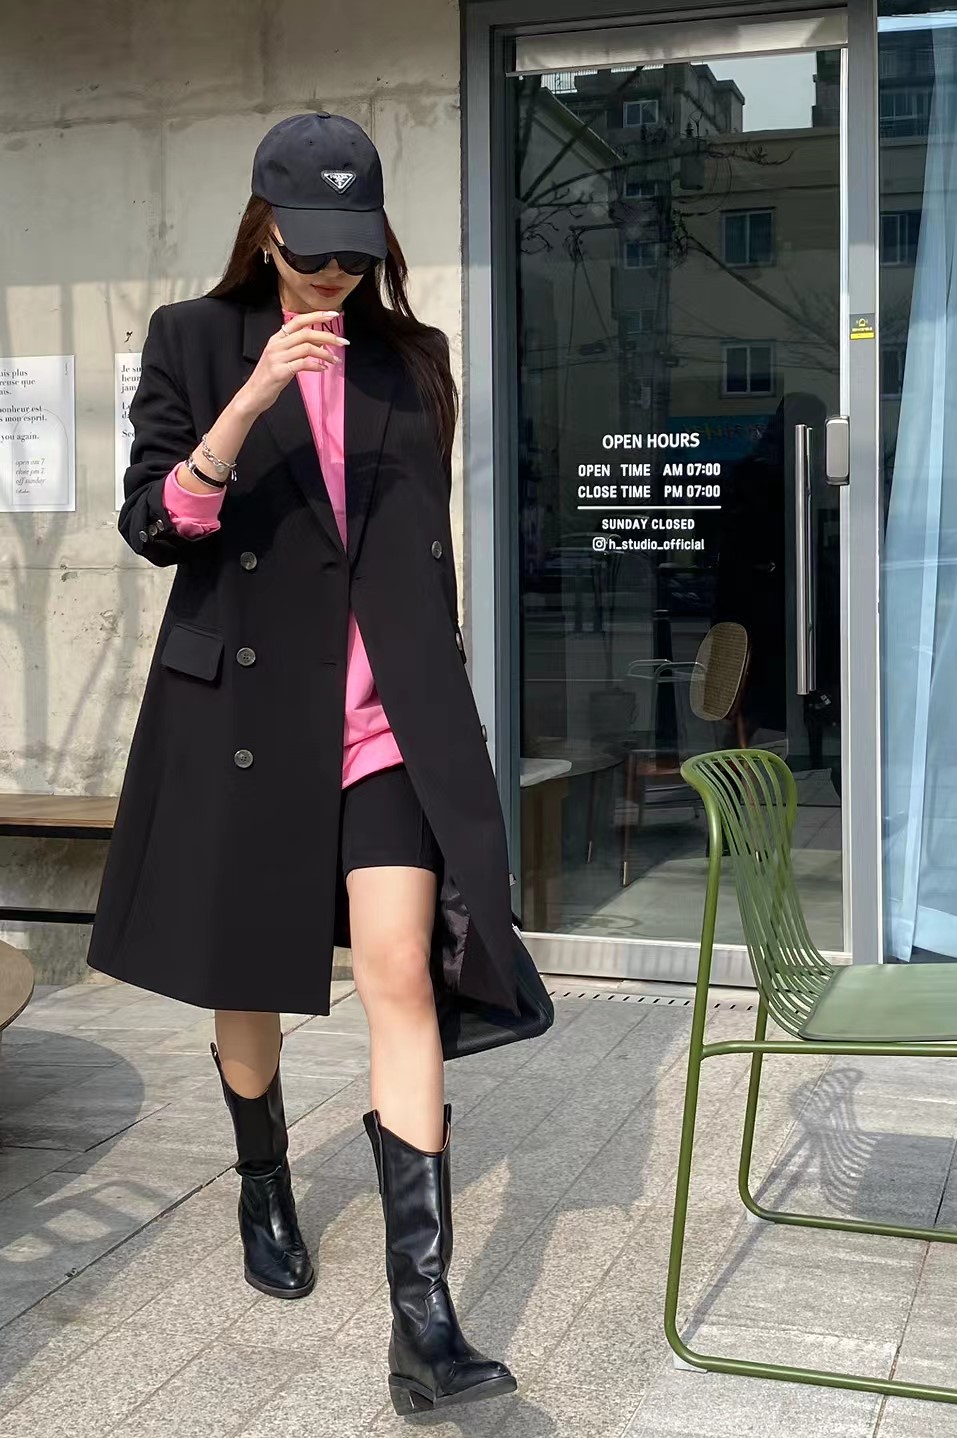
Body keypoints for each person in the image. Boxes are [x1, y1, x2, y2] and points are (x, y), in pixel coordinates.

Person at [86, 112, 552, 1416]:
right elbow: (154, 524)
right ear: (266, 230)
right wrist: (250, 400)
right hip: (245, 710)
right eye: (311, 255)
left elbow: (413, 555)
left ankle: (424, 1323)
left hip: (384, 716)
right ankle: (262, 1178)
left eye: (354, 255)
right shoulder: (192, 338)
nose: (334, 277)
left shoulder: (414, 359)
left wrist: (447, 705)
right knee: (250, 975)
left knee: (400, 969)